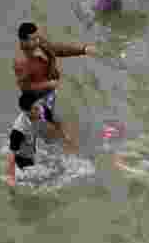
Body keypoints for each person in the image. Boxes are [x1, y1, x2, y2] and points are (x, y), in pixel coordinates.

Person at [13, 22, 97, 154]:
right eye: (34, 38)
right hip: (37, 97)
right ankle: (56, 146)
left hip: (49, 92)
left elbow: (57, 49)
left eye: (38, 37)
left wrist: (83, 49)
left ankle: (62, 140)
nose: (38, 40)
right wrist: (47, 84)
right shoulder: (21, 62)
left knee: (51, 118)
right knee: (46, 126)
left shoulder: (39, 43)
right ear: (24, 41)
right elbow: (24, 86)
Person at [4, 92, 63, 187]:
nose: (39, 111)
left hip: (32, 151)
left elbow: (52, 119)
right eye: (36, 109)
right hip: (22, 160)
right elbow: (11, 153)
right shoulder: (18, 130)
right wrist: (10, 177)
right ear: (27, 112)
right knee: (40, 183)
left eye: (38, 106)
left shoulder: (40, 110)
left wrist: (62, 134)